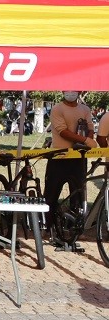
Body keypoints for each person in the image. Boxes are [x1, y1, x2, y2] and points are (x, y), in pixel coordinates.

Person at [45, 91, 96, 248]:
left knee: (78, 195)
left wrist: (88, 137)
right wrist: (85, 140)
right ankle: (48, 227)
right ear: (62, 91)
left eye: (74, 89)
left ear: (79, 91)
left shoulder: (85, 109)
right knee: (51, 195)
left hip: (78, 159)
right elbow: (62, 131)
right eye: (67, 89)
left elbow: (90, 127)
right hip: (59, 158)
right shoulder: (57, 109)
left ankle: (73, 230)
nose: (71, 92)